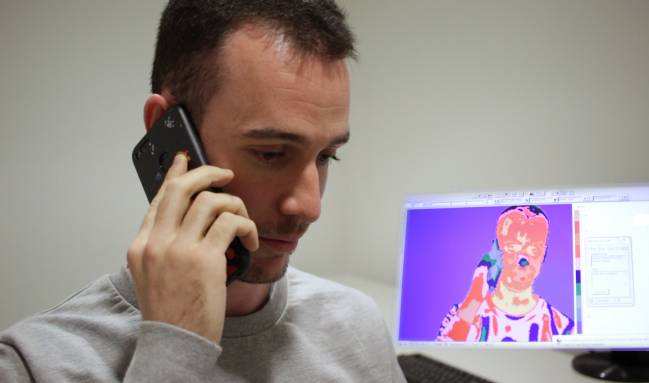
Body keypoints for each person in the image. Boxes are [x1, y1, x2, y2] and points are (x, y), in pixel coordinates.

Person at [0, 1, 406, 381]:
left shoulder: (357, 324)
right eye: (270, 153)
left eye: (326, 156)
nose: (310, 205)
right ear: (165, 128)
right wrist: (173, 352)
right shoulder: (32, 363)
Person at [437, 205, 574, 342]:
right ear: (496, 249)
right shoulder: (464, 314)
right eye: (513, 245)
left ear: (544, 254)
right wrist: (475, 296)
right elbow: (442, 354)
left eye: (534, 248)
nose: (523, 259)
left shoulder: (561, 327)